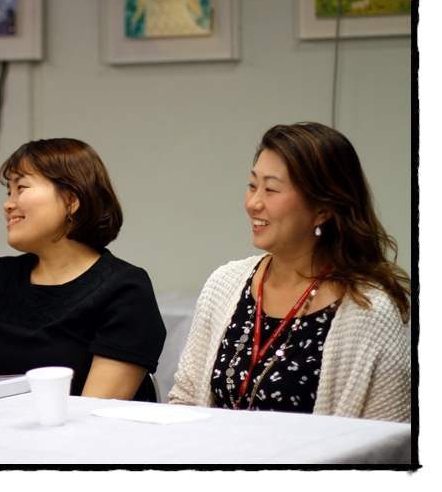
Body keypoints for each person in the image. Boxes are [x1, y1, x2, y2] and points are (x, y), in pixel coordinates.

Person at [169, 122, 411, 423]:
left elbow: (388, 438)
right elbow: (185, 400)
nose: (253, 203)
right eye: (252, 185)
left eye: (271, 190)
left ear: (323, 210)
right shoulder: (224, 284)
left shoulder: (369, 311)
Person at [0, 138, 166, 401]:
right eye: (8, 192)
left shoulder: (124, 288)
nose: (8, 204)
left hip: (80, 428)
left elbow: (93, 411)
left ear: (71, 200)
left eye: (21, 187)